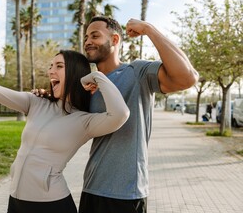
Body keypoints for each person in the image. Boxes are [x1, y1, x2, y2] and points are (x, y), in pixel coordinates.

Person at [0, 38, 130, 213]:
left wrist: (97, 77)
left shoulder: (84, 121)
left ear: (76, 72)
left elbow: (120, 114)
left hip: (51, 204)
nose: (51, 70)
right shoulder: (35, 102)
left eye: (59, 66)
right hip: (16, 200)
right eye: (51, 66)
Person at [78, 16, 199, 213]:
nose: (88, 41)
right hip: (91, 188)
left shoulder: (137, 72)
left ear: (115, 40)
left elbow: (187, 77)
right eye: (86, 37)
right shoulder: (89, 84)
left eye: (95, 36)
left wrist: (149, 29)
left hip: (126, 194)